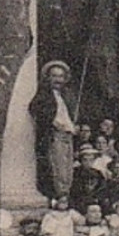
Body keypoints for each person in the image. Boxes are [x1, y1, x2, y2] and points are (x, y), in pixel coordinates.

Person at [30, 60, 78, 201]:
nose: (58, 80)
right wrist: (52, 122)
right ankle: (59, 196)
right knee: (58, 169)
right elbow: (34, 109)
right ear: (48, 77)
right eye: (54, 76)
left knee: (68, 169)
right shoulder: (44, 95)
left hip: (68, 135)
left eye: (61, 76)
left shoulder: (66, 96)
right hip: (55, 135)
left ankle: (65, 195)